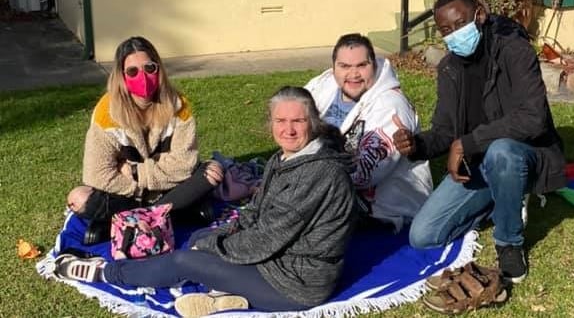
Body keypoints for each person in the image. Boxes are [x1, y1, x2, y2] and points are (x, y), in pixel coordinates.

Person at [54, 86, 357, 314]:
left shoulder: (319, 173)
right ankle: (225, 297)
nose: (288, 130)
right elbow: (256, 212)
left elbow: (265, 241)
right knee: (203, 236)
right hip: (279, 261)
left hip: (296, 284)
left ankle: (104, 272)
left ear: (313, 123)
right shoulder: (289, 157)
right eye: (281, 120)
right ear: (271, 123)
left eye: (298, 121)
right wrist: (219, 235)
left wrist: (213, 246)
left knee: (188, 259)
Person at [392, 0, 566, 284]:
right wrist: (416, 144)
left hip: (524, 155)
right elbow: (446, 130)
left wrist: (468, 143)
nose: (454, 34)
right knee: (424, 235)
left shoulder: (514, 51)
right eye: (446, 30)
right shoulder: (449, 69)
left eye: (460, 24)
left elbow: (532, 118)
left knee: (502, 152)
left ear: (480, 14)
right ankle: (502, 197)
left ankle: (509, 243)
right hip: (479, 165)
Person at [65, 36, 223, 245]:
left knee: (212, 171)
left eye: (149, 68)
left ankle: (128, 222)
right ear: (121, 76)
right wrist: (140, 190)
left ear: (159, 69)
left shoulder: (179, 105)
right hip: (127, 194)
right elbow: (96, 174)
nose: (143, 76)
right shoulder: (106, 113)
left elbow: (184, 164)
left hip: (167, 188)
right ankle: (170, 216)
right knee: (79, 198)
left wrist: (133, 172)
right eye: (132, 71)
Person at [306, 33, 432, 232]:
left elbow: (364, 174)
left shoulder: (392, 107)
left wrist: (302, 176)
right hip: (328, 185)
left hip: (380, 209)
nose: (353, 74)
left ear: (373, 64)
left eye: (362, 65)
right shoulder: (325, 84)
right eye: (345, 66)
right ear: (334, 67)